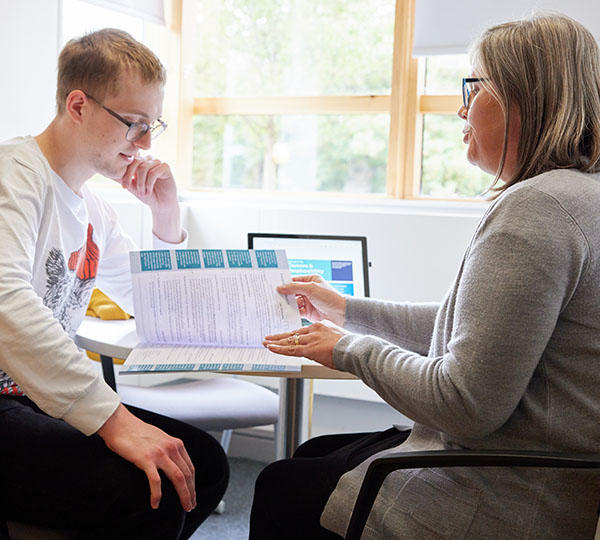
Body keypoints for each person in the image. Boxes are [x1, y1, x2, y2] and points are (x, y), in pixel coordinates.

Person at [251, 13, 600, 540]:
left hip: (499, 496)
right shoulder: (581, 197)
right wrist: (345, 309)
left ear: (524, 98)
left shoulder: (537, 210)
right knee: (314, 455)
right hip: (543, 474)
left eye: (474, 87)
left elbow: (464, 404)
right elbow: (476, 332)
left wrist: (347, 349)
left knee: (280, 485)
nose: (462, 107)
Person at [0, 29, 228, 539]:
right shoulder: (13, 175)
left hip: (35, 397)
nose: (145, 144)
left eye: (153, 126)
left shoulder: (95, 210)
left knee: (205, 463)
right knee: (149, 493)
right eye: (134, 124)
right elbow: (5, 302)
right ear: (78, 105)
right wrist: (113, 419)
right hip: (7, 397)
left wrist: (165, 215)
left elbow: (164, 311)